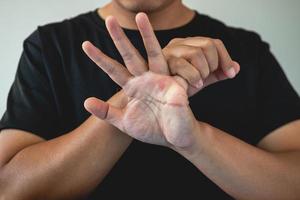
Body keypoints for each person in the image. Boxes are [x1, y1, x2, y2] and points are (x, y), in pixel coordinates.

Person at [0, 0, 300, 199]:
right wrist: (127, 108)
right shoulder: (50, 46)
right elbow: (9, 189)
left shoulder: (244, 50)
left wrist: (196, 142)